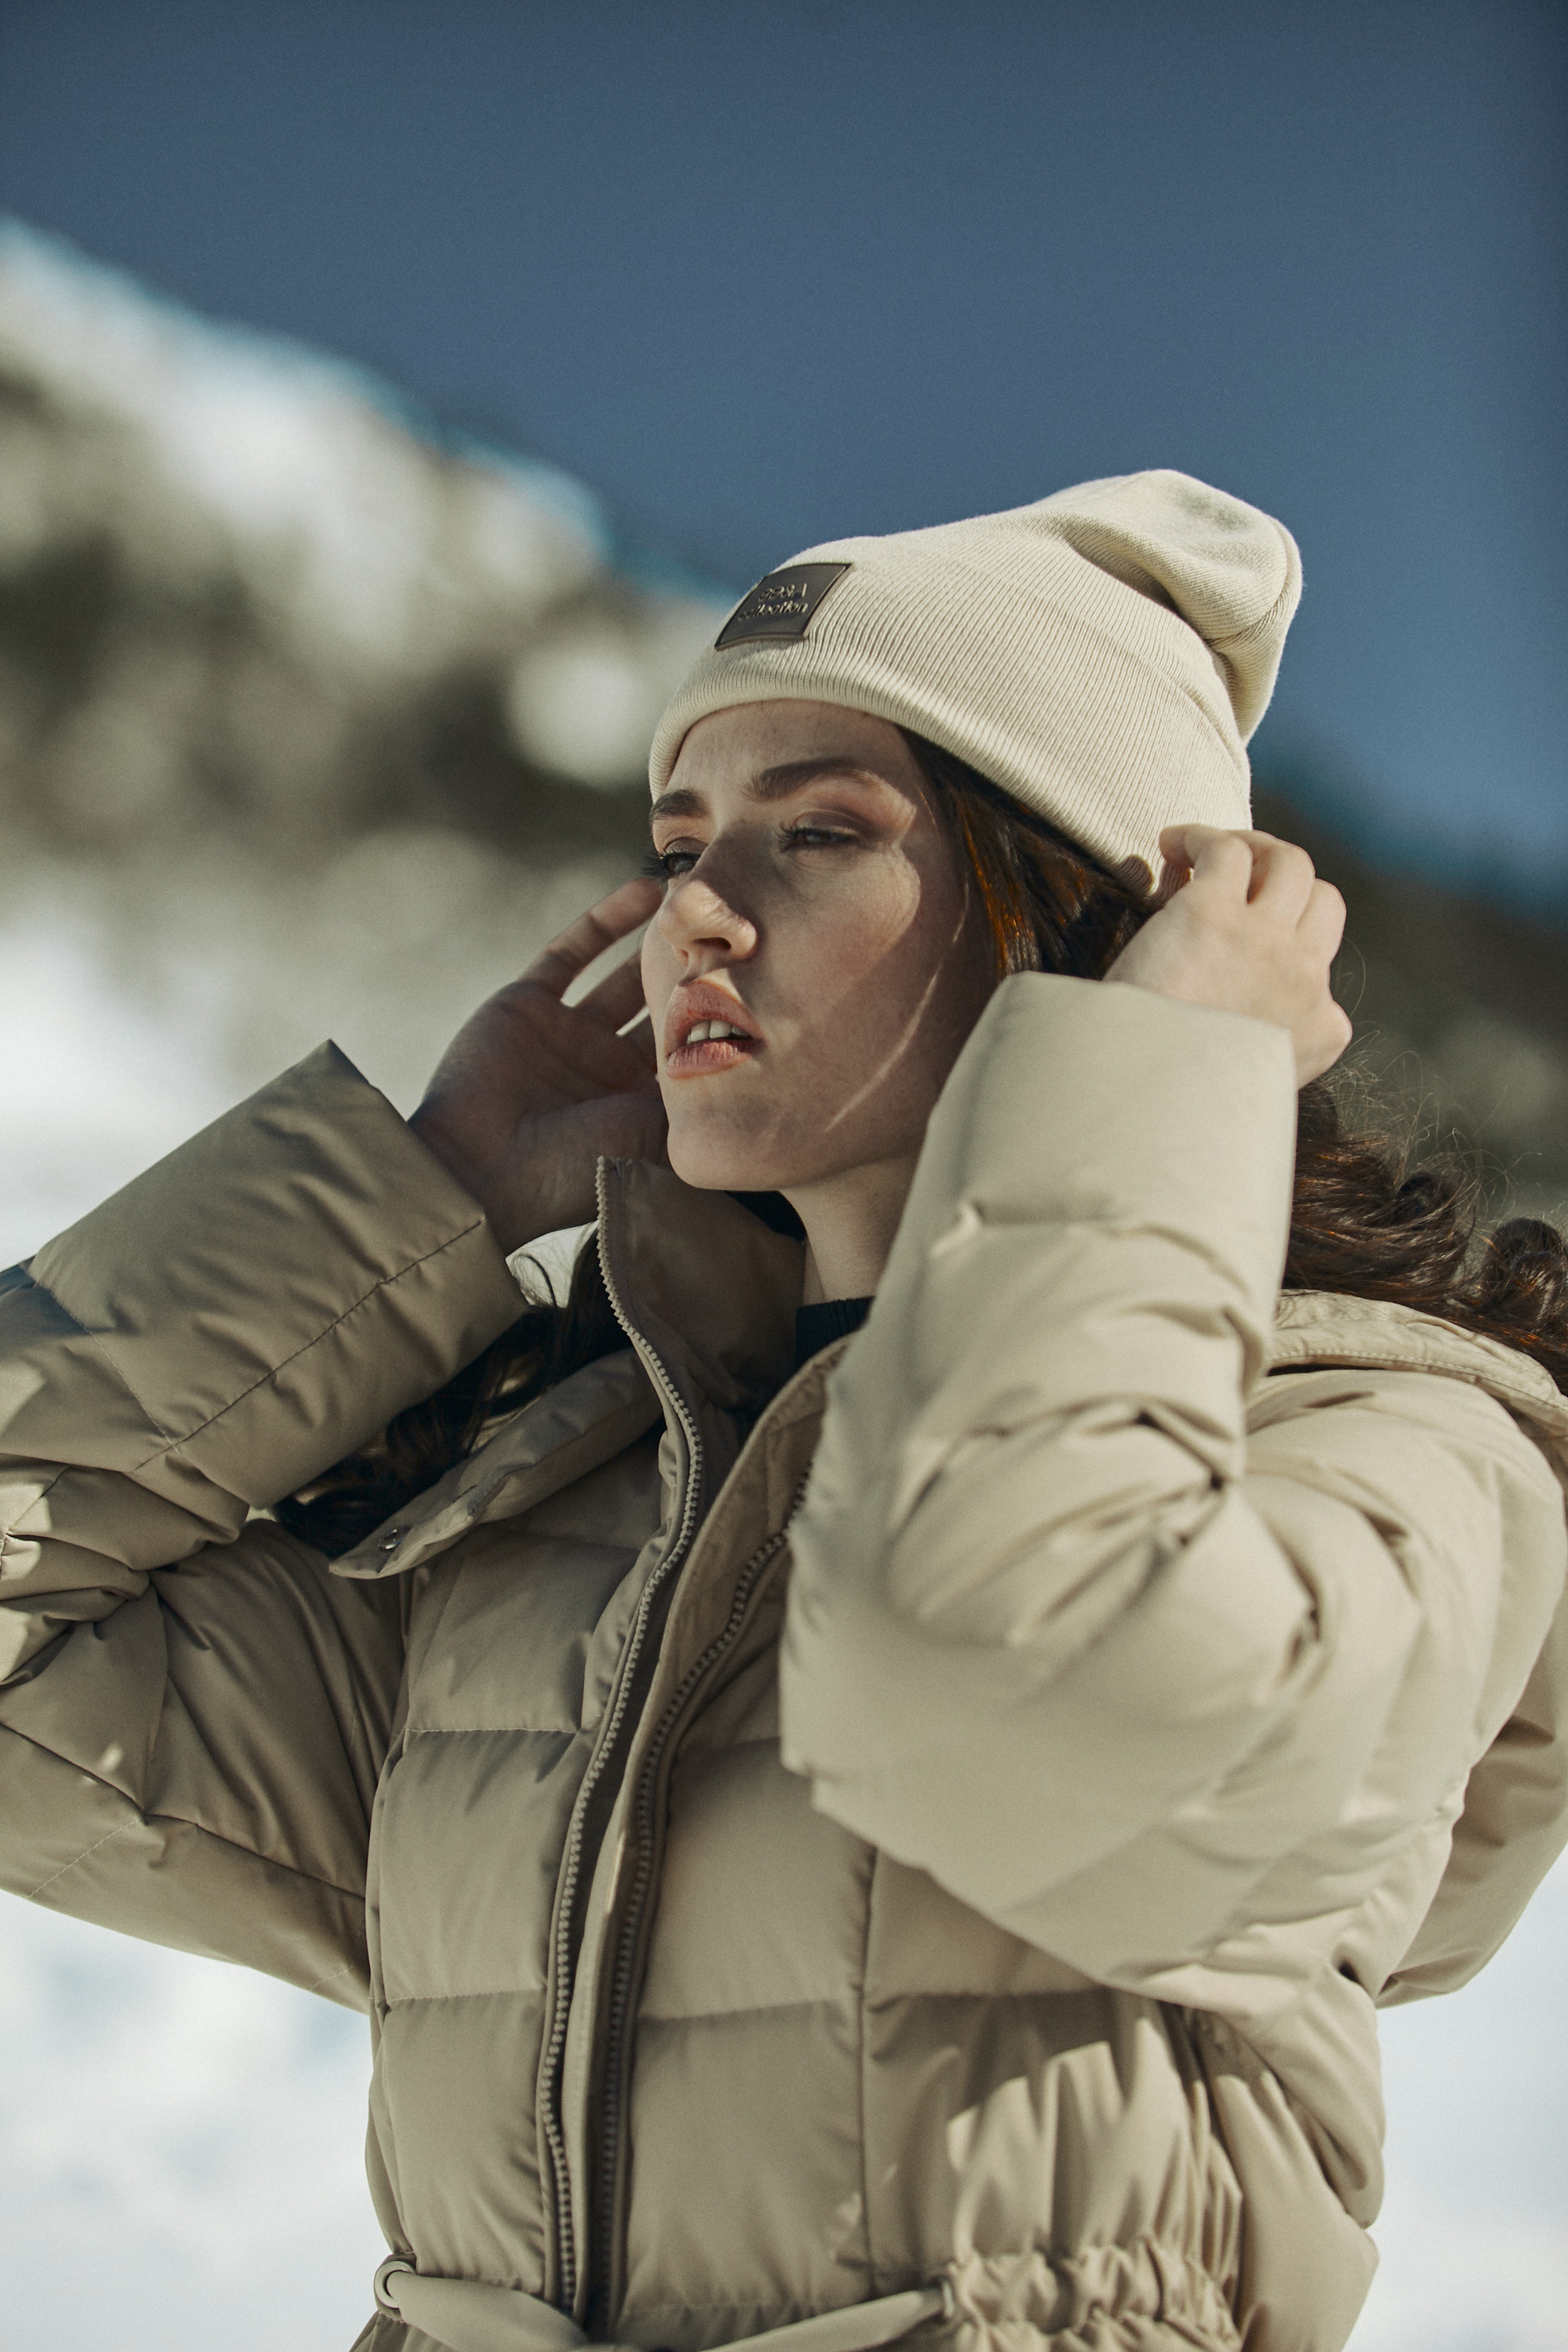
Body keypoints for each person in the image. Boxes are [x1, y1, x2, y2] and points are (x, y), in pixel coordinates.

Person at [2, 470, 1565, 2352]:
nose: (699, 923)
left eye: (818, 834)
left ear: (1076, 914)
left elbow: (1012, 1694)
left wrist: (1156, 1073)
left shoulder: (1387, 1454)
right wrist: (419, 1192)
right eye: (678, 845)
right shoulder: (563, 1511)